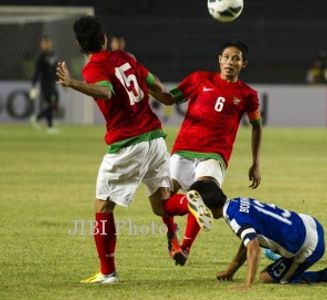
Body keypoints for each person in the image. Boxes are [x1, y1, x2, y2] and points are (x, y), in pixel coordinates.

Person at [56, 16, 174, 284]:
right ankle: (188, 204)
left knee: (103, 206)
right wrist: (168, 97)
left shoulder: (93, 67)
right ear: (104, 38)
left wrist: (73, 83)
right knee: (162, 204)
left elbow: (106, 92)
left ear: (78, 44)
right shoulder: (124, 56)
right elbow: (154, 84)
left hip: (128, 144)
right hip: (155, 139)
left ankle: (107, 272)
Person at [150, 40, 263, 267]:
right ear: (219, 59)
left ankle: (185, 248)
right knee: (163, 203)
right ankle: (172, 235)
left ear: (244, 64)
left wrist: (255, 163)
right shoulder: (199, 79)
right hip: (183, 149)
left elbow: (257, 126)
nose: (230, 62)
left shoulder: (248, 94)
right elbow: (170, 98)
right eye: (227, 57)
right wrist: (147, 86)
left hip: (214, 154)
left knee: (202, 195)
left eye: (236, 58)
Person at [187, 180, 327, 289]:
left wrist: (247, 284)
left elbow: (253, 248)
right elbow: (248, 241)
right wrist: (230, 271)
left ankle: (326, 275)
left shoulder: (234, 219)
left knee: (267, 277)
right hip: (309, 222)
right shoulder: (236, 202)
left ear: (208, 207)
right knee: (258, 242)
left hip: (309, 244)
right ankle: (279, 255)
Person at [30, 35, 59, 133]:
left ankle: (37, 118)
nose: (46, 45)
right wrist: (34, 85)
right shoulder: (40, 57)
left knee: (54, 103)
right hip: (45, 84)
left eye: (47, 43)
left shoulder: (53, 55)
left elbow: (56, 69)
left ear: (50, 44)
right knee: (49, 104)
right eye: (44, 43)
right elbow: (37, 72)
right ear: (41, 45)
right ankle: (50, 126)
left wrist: (61, 81)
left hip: (53, 83)